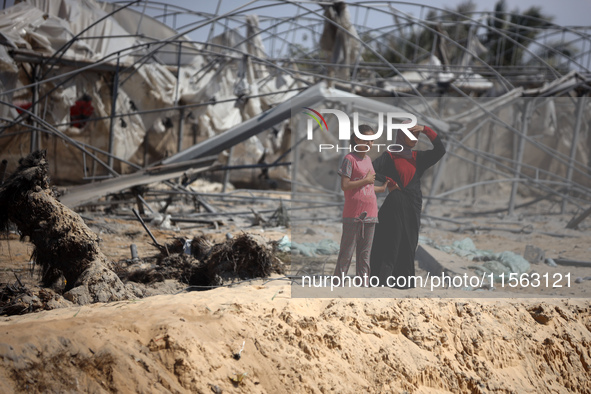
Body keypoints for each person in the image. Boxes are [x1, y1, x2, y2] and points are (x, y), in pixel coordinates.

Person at [370, 122, 445, 288]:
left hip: (413, 206)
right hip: (395, 205)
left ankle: (402, 282)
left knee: (409, 243)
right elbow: (370, 171)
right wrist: (387, 182)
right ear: (401, 136)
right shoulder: (389, 156)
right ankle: (382, 280)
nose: (415, 139)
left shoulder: (418, 158)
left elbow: (440, 150)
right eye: (410, 135)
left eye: (417, 135)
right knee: (390, 241)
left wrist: (426, 130)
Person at [333, 124, 390, 287]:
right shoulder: (349, 159)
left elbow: (367, 187)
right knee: (347, 252)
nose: (370, 143)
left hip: (371, 213)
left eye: (372, 140)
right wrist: (365, 180)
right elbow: (345, 185)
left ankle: (363, 283)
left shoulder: (368, 160)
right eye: (367, 139)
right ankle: (338, 283)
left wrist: (382, 188)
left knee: (365, 253)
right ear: (357, 139)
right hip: (354, 214)